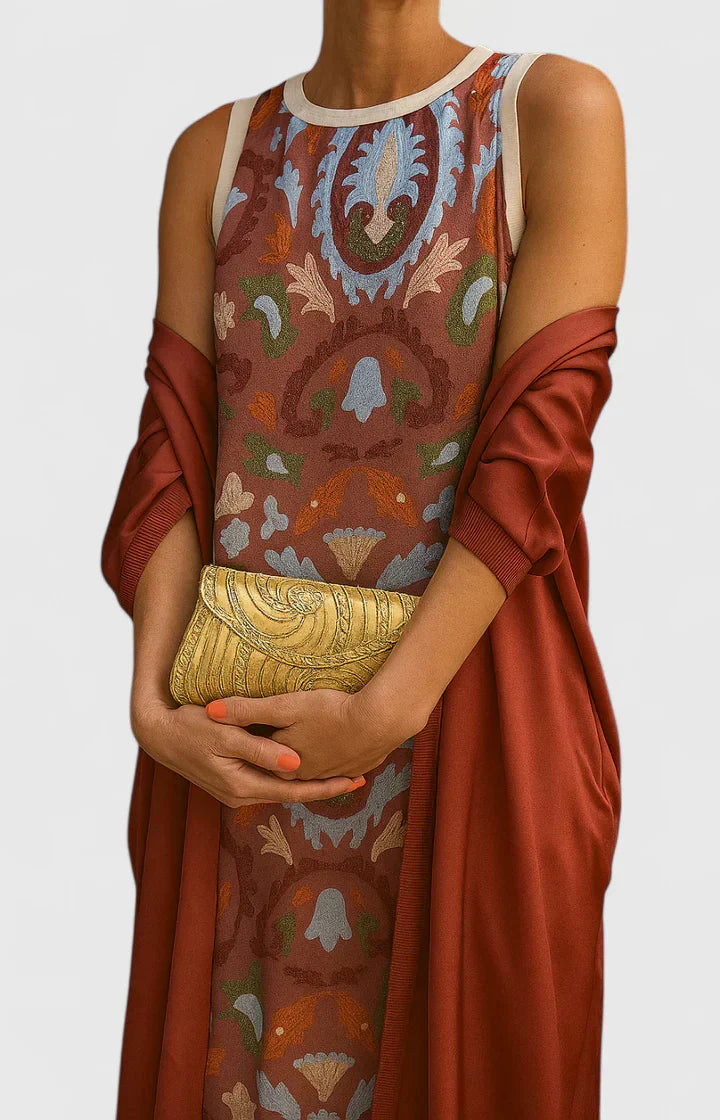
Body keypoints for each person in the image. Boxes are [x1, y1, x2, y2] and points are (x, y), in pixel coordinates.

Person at [102, 3, 626, 1117]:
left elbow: (535, 458)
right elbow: (172, 456)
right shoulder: (215, 153)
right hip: (236, 766)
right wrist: (152, 706)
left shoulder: (550, 112)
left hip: (474, 745)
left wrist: (387, 708)